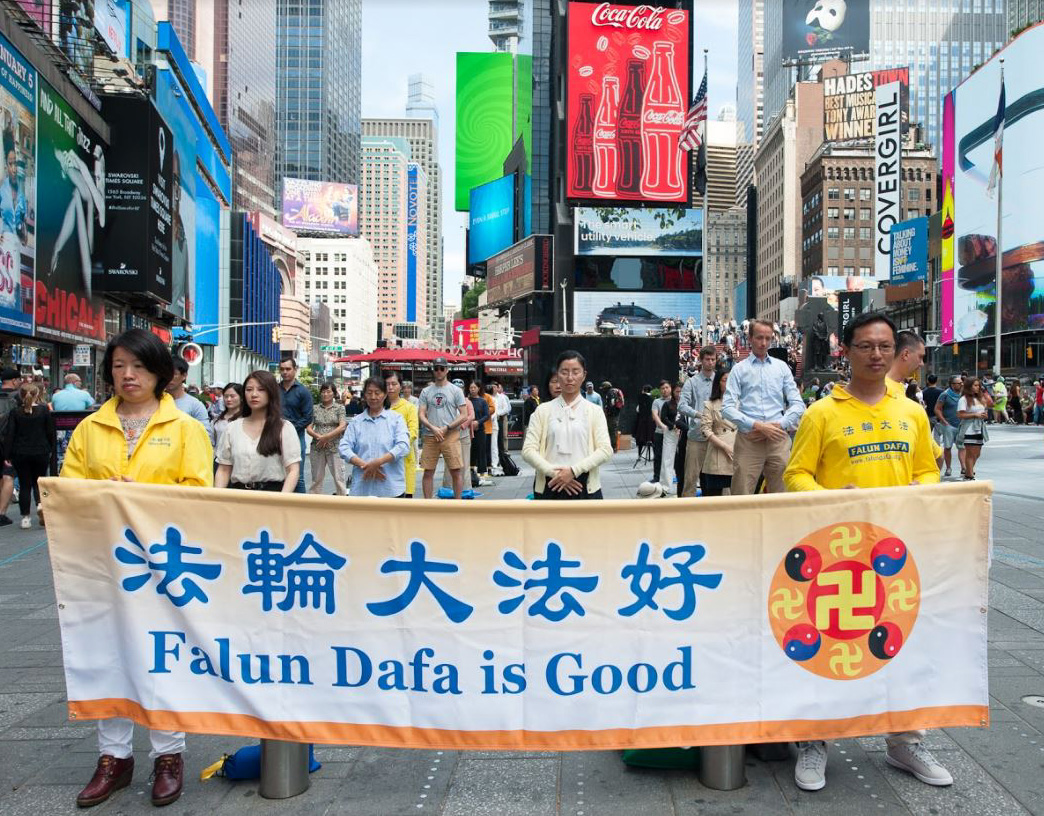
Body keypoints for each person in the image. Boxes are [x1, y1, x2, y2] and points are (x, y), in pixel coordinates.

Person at [783, 311, 951, 793]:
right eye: (865, 347)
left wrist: (917, 492)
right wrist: (831, 499)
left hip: (897, 555)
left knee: (900, 646)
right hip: (837, 557)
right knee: (832, 648)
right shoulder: (822, 414)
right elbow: (796, 476)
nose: (875, 355)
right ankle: (815, 740)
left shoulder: (912, 413)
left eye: (883, 346)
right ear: (848, 352)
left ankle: (905, 740)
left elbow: (928, 471)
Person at [62, 328, 213, 808]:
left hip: (164, 566)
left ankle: (169, 755)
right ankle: (114, 757)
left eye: (140, 367)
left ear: (160, 373)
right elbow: (67, 490)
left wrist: (141, 497)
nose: (129, 375)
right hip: (103, 563)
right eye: (120, 365)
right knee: (108, 654)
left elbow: (199, 493)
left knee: (161, 654)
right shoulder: (91, 428)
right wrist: (107, 493)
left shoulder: (185, 428)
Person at [723, 320, 805, 495]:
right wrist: (757, 425)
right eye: (759, 338)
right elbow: (727, 408)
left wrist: (779, 425)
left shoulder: (781, 367)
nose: (764, 343)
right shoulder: (739, 369)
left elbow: (798, 404)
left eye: (768, 338)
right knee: (741, 495)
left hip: (778, 439)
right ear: (750, 338)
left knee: (782, 496)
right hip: (749, 439)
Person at [522, 350, 613, 499]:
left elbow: (605, 450)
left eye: (575, 372)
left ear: (584, 375)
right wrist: (555, 474)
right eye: (564, 372)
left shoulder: (594, 411)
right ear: (557, 375)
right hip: (549, 484)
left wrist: (573, 471)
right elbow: (528, 450)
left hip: (585, 486)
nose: (570, 378)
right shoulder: (543, 410)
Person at [215, 370, 301, 493]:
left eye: (261, 389)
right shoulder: (232, 428)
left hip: (271, 496)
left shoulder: (284, 427)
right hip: (238, 497)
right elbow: (224, 469)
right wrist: (218, 497)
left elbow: (293, 470)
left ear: (271, 393)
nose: (254, 394)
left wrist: (282, 499)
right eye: (249, 389)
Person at [339, 377, 410, 498]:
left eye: (377, 393)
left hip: (391, 488)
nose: (373, 397)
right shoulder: (356, 422)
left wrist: (378, 462)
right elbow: (344, 447)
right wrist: (365, 465)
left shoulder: (396, 419)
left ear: (385, 395)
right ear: (365, 395)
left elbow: (403, 446)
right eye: (369, 393)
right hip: (362, 489)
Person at [3, 382, 54, 528]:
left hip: (20, 452)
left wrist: (7, 455)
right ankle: (40, 504)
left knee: (25, 484)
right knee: (39, 482)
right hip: (41, 451)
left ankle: (25, 518)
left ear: (21, 395)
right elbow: (50, 432)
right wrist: (50, 449)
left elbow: (10, 434)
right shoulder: (44, 411)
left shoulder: (15, 412)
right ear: (37, 394)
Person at [418, 357, 468, 499]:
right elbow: (421, 414)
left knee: (456, 471)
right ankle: (428, 504)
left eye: (442, 368)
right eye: (436, 368)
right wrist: (432, 427)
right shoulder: (426, 391)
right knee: (428, 471)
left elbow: (464, 414)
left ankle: (457, 504)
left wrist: (447, 427)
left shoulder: (456, 390)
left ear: (446, 370)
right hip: (430, 434)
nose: (439, 371)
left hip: (451, 434)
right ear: (433, 370)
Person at [678, 345, 717, 497]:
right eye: (707, 359)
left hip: (717, 436)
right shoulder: (691, 382)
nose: (710, 362)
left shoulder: (720, 381)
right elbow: (682, 406)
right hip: (697, 436)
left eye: (713, 359)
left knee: (719, 478)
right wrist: (699, 414)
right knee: (690, 478)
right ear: (701, 360)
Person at [277, 358, 313, 493]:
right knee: (278, 475)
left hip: (297, 437)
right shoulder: (275, 390)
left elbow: (308, 417)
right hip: (275, 436)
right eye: (282, 369)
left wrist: (289, 429)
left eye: (288, 369)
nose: (285, 372)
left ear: (295, 370)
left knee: (298, 476)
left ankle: (301, 509)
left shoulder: (303, 392)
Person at [306, 382, 347, 495]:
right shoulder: (315, 408)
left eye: (328, 391)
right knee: (316, 479)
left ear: (334, 393)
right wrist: (319, 437)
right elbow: (309, 428)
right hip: (317, 446)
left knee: (339, 478)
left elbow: (342, 426)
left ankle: (342, 502)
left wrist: (327, 437)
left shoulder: (339, 408)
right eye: (323, 392)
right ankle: (314, 504)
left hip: (334, 447)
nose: (325, 394)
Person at [384, 370, 419, 497]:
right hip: (382, 460)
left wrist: (398, 447)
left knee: (405, 498)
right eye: (387, 384)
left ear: (400, 386)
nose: (390, 387)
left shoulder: (409, 407)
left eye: (394, 384)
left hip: (403, 458)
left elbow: (413, 431)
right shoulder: (378, 406)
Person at [0, 367, 22, 526]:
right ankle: (1, 513)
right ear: (14, 380)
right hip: (9, 443)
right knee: (8, 476)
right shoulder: (18, 398)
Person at [167, 357, 211, 432]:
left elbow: (206, 435)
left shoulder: (195, 405)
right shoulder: (154, 402)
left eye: (174, 374)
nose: (168, 377)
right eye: (165, 373)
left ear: (184, 376)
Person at [957, 378, 989, 480]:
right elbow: (960, 414)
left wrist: (984, 415)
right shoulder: (964, 399)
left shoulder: (980, 398)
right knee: (970, 452)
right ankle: (969, 475)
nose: (977, 387)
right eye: (975, 385)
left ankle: (968, 471)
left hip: (979, 427)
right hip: (969, 428)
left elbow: (984, 411)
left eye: (978, 385)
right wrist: (975, 414)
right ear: (969, 386)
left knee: (977, 453)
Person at [934, 375, 965, 478]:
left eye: (961, 383)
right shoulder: (945, 394)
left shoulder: (963, 394)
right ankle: (948, 467)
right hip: (948, 425)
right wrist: (943, 420)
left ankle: (964, 467)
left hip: (961, 424)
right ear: (952, 385)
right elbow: (937, 409)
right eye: (959, 383)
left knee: (962, 447)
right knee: (948, 447)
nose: (961, 384)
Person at [211, 382, 244, 451]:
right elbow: (212, 442)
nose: (228, 399)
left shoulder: (247, 419)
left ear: (241, 397)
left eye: (232, 396)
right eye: (226, 396)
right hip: (219, 459)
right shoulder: (217, 420)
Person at [650, 380, 672, 484]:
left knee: (672, 457)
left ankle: (671, 477)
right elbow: (655, 415)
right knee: (658, 456)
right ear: (660, 390)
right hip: (659, 433)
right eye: (662, 388)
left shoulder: (675, 401)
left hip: (673, 434)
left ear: (670, 388)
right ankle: (657, 477)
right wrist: (663, 426)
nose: (665, 390)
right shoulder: (657, 402)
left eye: (667, 387)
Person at [490, 380, 511, 475]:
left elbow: (506, 408)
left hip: (500, 419)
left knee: (500, 440)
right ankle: (493, 460)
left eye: (495, 387)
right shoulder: (488, 397)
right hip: (490, 421)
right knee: (492, 442)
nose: (493, 388)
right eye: (492, 387)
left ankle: (501, 459)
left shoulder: (502, 397)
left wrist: (497, 413)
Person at [634, 384, 656, 462]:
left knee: (641, 438)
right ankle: (655, 455)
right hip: (651, 421)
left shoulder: (640, 398)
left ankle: (639, 455)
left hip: (642, 420)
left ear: (643, 390)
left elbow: (638, 410)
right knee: (652, 438)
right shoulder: (654, 399)